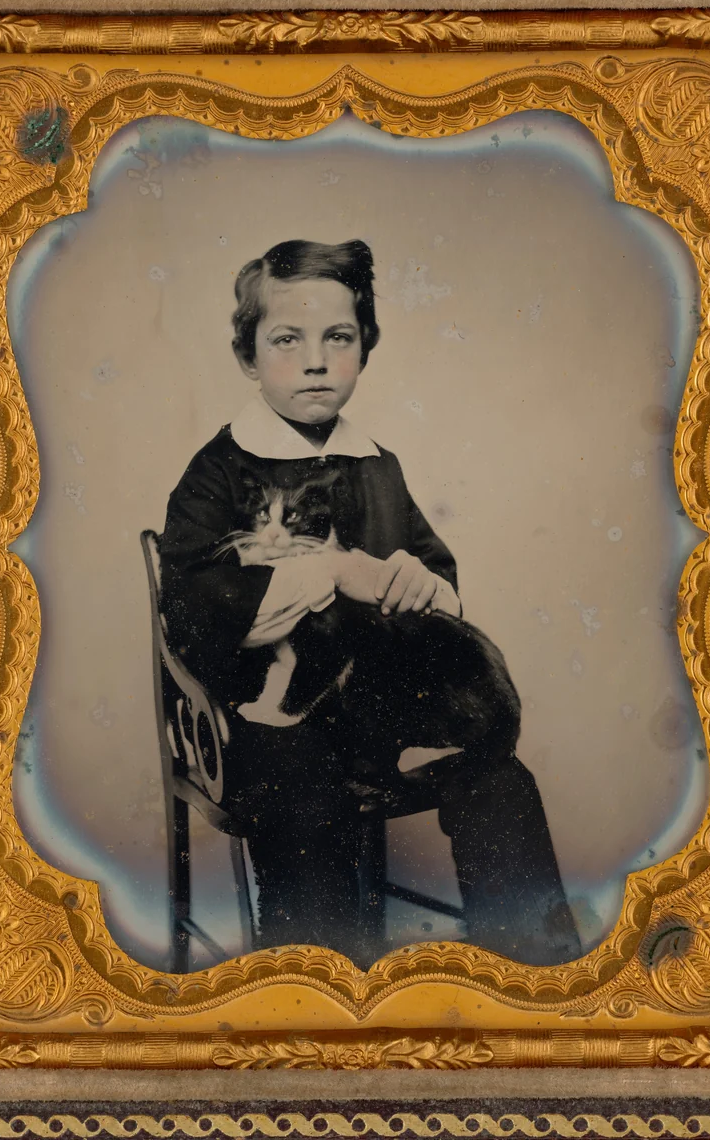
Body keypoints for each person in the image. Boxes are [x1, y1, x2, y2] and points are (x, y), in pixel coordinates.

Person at [158, 239, 581, 967]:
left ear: (363, 349)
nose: (315, 361)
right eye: (287, 340)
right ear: (249, 355)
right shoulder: (216, 471)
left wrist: (423, 581)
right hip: (261, 725)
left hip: (376, 716)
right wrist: (333, 569)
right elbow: (193, 606)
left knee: (501, 780)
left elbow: (434, 567)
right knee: (304, 799)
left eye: (338, 338)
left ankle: (531, 971)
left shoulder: (377, 466)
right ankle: (311, 990)